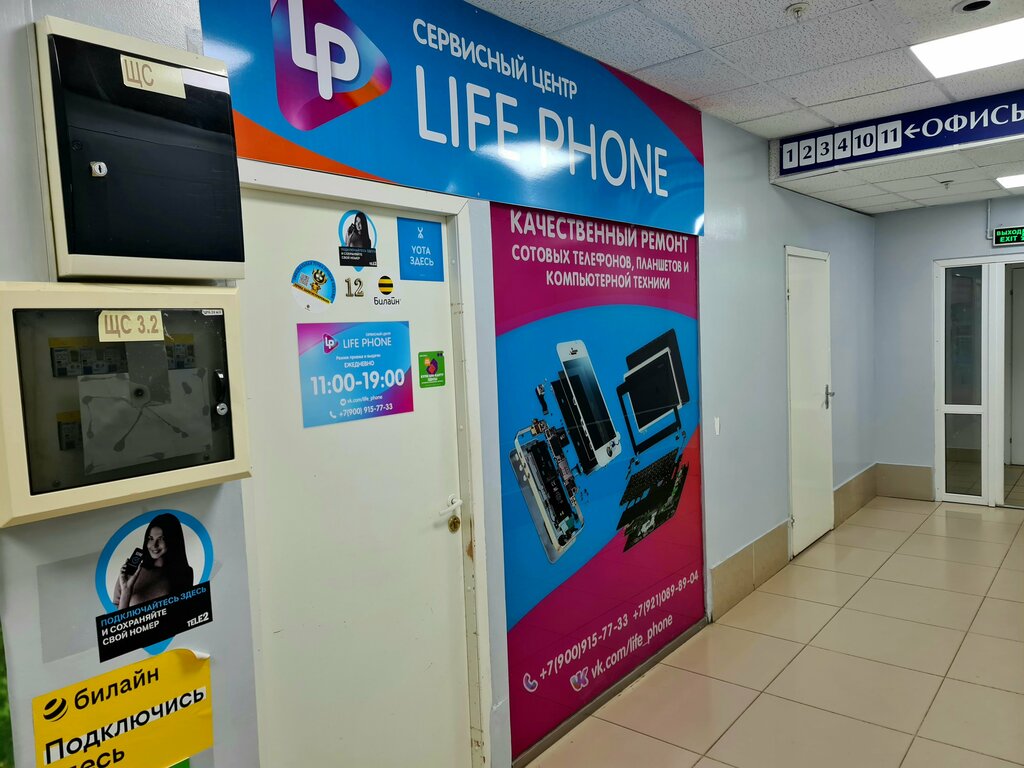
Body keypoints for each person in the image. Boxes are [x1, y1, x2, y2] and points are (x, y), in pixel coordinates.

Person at [113, 513, 194, 609]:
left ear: (173, 540)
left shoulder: (185, 572)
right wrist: (126, 591)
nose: (154, 545)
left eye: (161, 539)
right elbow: (117, 617)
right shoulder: (130, 572)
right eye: (150, 538)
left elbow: (185, 612)